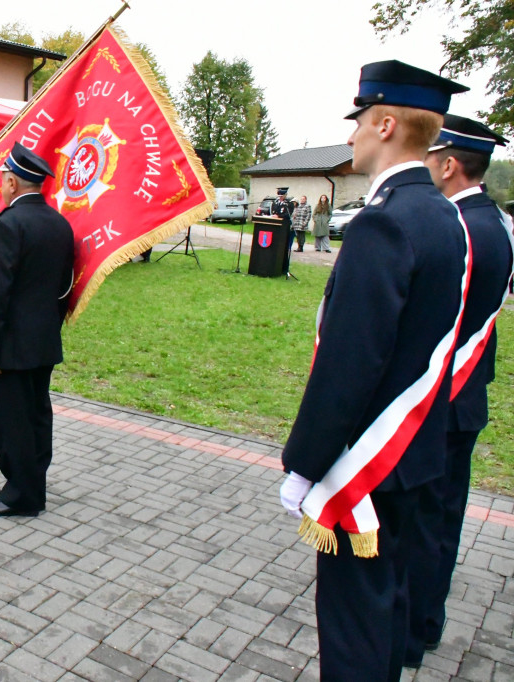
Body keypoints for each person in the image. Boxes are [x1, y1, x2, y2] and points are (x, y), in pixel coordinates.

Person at [277, 60, 469, 682]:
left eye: (359, 119)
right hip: (416, 453)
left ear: (385, 124)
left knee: (354, 620)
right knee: (386, 609)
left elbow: (350, 361)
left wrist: (304, 462)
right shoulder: (446, 217)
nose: (353, 133)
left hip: (369, 464)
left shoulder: (383, 221)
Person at [405, 115, 513, 668]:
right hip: (465, 398)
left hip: (443, 398)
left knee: (424, 522)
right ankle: (426, 621)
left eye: (430, 157)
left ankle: (412, 629)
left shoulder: (463, 230)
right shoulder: (492, 221)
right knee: (441, 519)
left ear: (448, 165)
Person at [0, 143, 74, 517]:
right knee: (35, 417)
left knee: (10, 422)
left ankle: (20, 496)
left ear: (13, 182)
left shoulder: (7, 224)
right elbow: (66, 287)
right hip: (42, 340)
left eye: (2, 178)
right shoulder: (60, 223)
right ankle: (31, 484)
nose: (1, 183)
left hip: (10, 346)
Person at [271, 187, 294, 272]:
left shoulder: (289, 204)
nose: (280, 197)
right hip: (274, 226)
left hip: (284, 228)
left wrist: (279, 216)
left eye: (282, 196)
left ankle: (283, 268)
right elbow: (273, 212)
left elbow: (288, 215)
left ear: (285, 195)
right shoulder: (275, 202)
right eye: (279, 195)